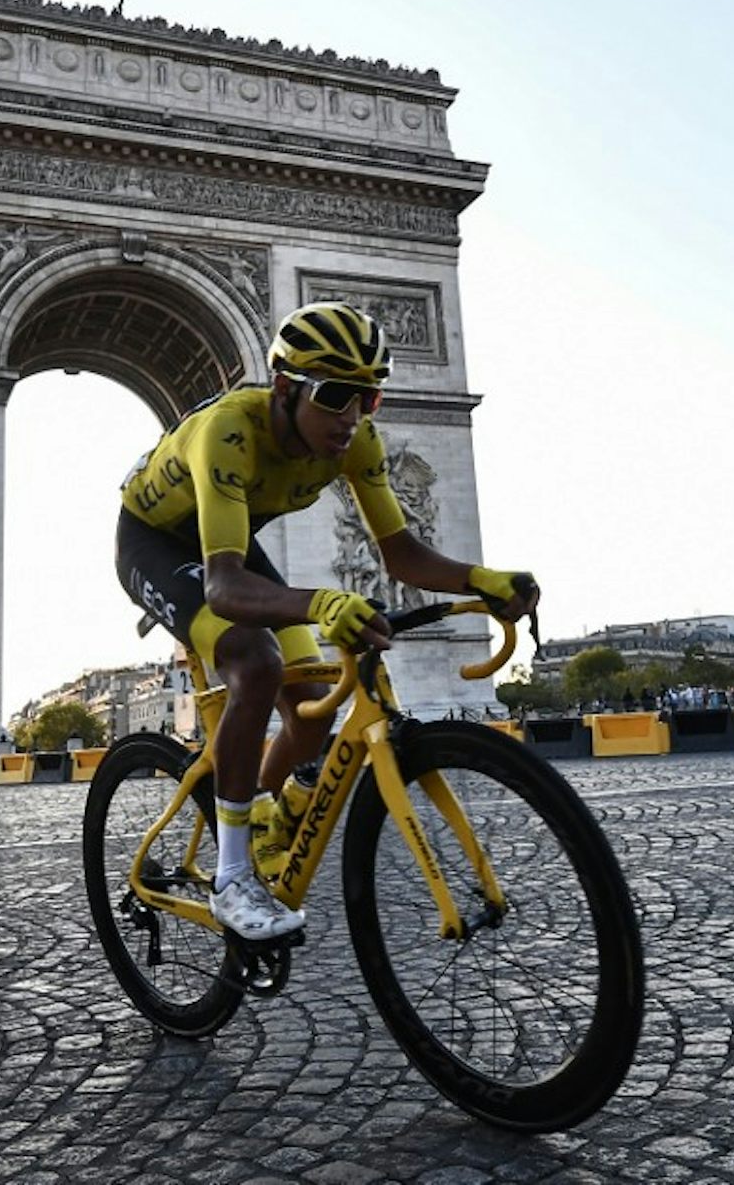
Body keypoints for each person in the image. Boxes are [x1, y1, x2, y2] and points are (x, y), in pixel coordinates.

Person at [115, 301, 539, 941]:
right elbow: (227, 587)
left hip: (228, 539)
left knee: (310, 711)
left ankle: (263, 812)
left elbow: (401, 553)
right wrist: (322, 603)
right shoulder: (227, 431)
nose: (351, 417)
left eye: (367, 399)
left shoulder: (356, 441)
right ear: (285, 389)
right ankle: (233, 878)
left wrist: (480, 578)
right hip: (155, 542)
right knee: (255, 663)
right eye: (336, 395)